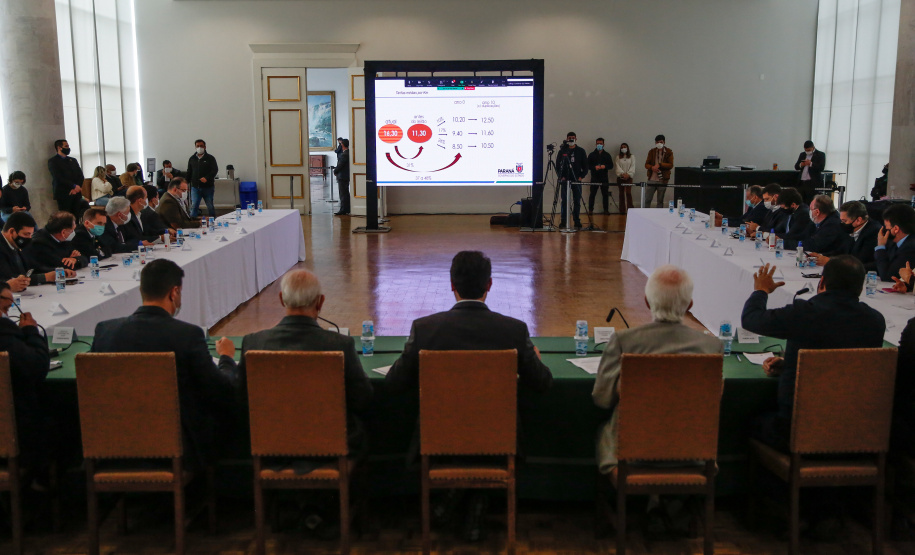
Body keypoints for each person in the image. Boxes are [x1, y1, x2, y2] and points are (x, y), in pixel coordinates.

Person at [386, 251, 553, 541]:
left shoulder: (425, 330)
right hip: (498, 438)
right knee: (484, 432)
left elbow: (393, 384)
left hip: (439, 436)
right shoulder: (513, 331)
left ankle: (456, 497)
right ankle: (475, 503)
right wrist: (534, 359)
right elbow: (543, 384)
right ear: (489, 284)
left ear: (452, 284)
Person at [90, 259, 239, 468]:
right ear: (174, 292)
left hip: (113, 445)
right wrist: (226, 358)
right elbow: (220, 390)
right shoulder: (187, 335)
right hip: (178, 448)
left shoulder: (105, 331)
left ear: (142, 290)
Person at [741, 256, 885, 452]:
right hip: (856, 434)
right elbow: (846, 365)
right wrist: (791, 364)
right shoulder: (875, 322)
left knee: (744, 419)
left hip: (799, 432)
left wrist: (761, 290)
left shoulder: (804, 313)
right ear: (860, 288)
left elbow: (751, 319)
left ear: (822, 282)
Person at [592, 264, 722, 474]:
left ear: (646, 301)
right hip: (693, 454)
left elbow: (602, 399)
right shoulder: (712, 346)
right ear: (689, 305)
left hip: (631, 454)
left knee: (603, 432)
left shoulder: (624, 341)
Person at [237, 269, 373, 456]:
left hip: (271, 449)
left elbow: (240, 398)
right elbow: (363, 398)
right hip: (330, 449)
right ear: (320, 302)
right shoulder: (341, 344)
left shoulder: (253, 343)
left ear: (281, 299)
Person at [0, 282, 55, 477]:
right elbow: (37, 367)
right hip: (14, 435)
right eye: (7, 309)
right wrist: (31, 332)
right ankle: (43, 483)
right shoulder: (3, 331)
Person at [0, 213, 67, 290]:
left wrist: (56, 271)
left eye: (31, 234)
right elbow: (9, 277)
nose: (29, 238)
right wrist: (45, 277)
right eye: (26, 234)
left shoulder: (15, 244)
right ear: (12, 231)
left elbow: (31, 270)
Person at [807, 201, 880, 271]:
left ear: (858, 220)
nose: (842, 224)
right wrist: (820, 256)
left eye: (844, 221)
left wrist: (831, 261)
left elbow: (859, 261)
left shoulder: (873, 233)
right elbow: (842, 251)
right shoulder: (852, 229)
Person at [23, 211, 87, 271]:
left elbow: (84, 257)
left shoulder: (64, 239)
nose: (73, 232)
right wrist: (70, 261)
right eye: (72, 230)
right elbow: (60, 267)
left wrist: (75, 259)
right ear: (63, 232)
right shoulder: (39, 243)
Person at [47, 139, 89, 217]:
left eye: (68, 146)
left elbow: (80, 175)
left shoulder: (73, 160)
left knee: (77, 215)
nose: (68, 148)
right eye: (66, 146)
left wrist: (77, 187)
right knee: (65, 216)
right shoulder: (53, 161)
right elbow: (58, 177)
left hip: (76, 193)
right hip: (64, 193)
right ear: (59, 148)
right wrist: (73, 186)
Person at [875, 203, 915, 285]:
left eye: (886, 227)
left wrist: (880, 246)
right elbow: (881, 263)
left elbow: (888, 276)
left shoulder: (910, 247)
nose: (884, 231)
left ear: (896, 229)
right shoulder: (896, 242)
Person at [556, 132, 588, 229]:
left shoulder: (581, 151)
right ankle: (563, 221)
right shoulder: (562, 151)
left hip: (576, 179)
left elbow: (585, 166)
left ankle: (576, 220)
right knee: (564, 201)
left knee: (577, 200)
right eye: (569, 138)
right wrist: (560, 176)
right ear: (567, 139)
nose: (571, 139)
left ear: (576, 139)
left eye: (573, 138)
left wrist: (581, 176)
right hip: (565, 179)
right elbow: (557, 165)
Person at [186, 139, 218, 218]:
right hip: (195, 188)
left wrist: (207, 178)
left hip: (208, 187)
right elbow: (189, 171)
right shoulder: (192, 159)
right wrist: (186, 183)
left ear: (205, 147)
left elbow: (215, 170)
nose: (199, 147)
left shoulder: (210, 158)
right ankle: (192, 222)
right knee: (194, 206)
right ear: (195, 147)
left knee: (210, 206)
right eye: (197, 146)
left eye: (201, 146)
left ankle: (213, 220)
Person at [644, 134, 673, 209]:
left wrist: (660, 165)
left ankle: (659, 215)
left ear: (664, 142)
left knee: (660, 200)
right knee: (647, 199)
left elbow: (670, 165)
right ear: (655, 143)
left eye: (661, 142)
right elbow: (646, 164)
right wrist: (652, 167)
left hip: (662, 179)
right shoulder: (652, 151)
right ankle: (645, 213)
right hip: (652, 179)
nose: (659, 144)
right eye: (657, 142)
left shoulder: (669, 152)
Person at [587, 137, 613, 215]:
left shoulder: (607, 155)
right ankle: (590, 210)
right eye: (598, 143)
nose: (599, 145)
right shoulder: (591, 155)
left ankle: (606, 210)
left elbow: (611, 165)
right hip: (594, 177)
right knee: (592, 194)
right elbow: (587, 166)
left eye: (600, 144)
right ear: (596, 144)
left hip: (604, 177)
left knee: (605, 194)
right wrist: (594, 167)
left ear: (603, 144)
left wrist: (605, 166)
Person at [614, 142, 636, 214]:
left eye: (625, 147)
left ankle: (630, 209)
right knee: (621, 194)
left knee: (628, 193)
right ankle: (622, 210)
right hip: (621, 177)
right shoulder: (618, 157)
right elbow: (617, 166)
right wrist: (622, 174)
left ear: (627, 148)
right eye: (622, 147)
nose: (623, 148)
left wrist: (628, 174)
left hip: (629, 178)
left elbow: (633, 166)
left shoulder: (632, 156)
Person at [333, 138, 351, 216]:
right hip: (346, 175)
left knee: (343, 193)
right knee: (345, 192)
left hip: (342, 176)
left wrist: (335, 171)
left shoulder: (344, 154)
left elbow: (340, 165)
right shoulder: (348, 153)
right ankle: (347, 208)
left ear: (342, 145)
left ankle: (343, 209)